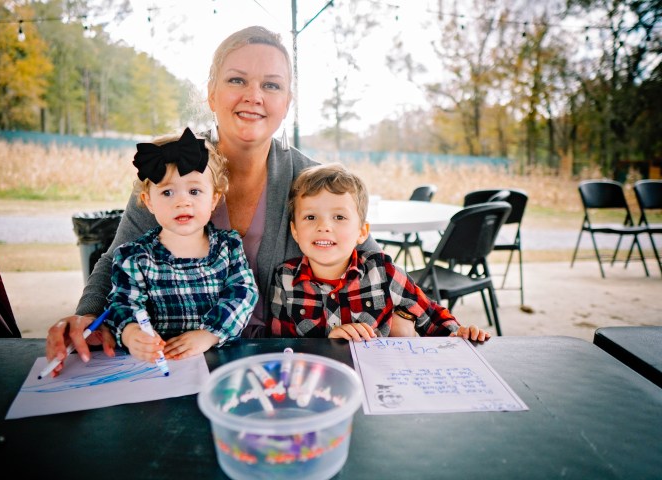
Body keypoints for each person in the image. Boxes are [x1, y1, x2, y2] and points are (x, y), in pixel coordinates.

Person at [44, 25, 378, 376]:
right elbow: (117, 258)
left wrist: (401, 316)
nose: (254, 95)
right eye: (237, 80)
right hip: (178, 359)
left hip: (286, 360)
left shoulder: (310, 181)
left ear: (286, 104)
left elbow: (373, 263)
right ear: (211, 94)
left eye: (271, 85)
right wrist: (88, 314)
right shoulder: (170, 165)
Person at [268, 163, 491, 343]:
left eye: (339, 217)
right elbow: (282, 346)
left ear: (362, 232)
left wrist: (458, 333)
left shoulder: (383, 272)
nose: (324, 226)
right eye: (310, 217)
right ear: (294, 231)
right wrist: (328, 343)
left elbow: (431, 316)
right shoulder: (285, 279)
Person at [104, 127, 258, 364]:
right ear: (149, 202)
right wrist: (131, 333)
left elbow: (243, 294)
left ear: (214, 199)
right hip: (159, 364)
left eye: (195, 191)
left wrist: (209, 334)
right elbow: (123, 303)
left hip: (218, 359)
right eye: (167, 192)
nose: (182, 201)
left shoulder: (228, 247)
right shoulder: (134, 257)